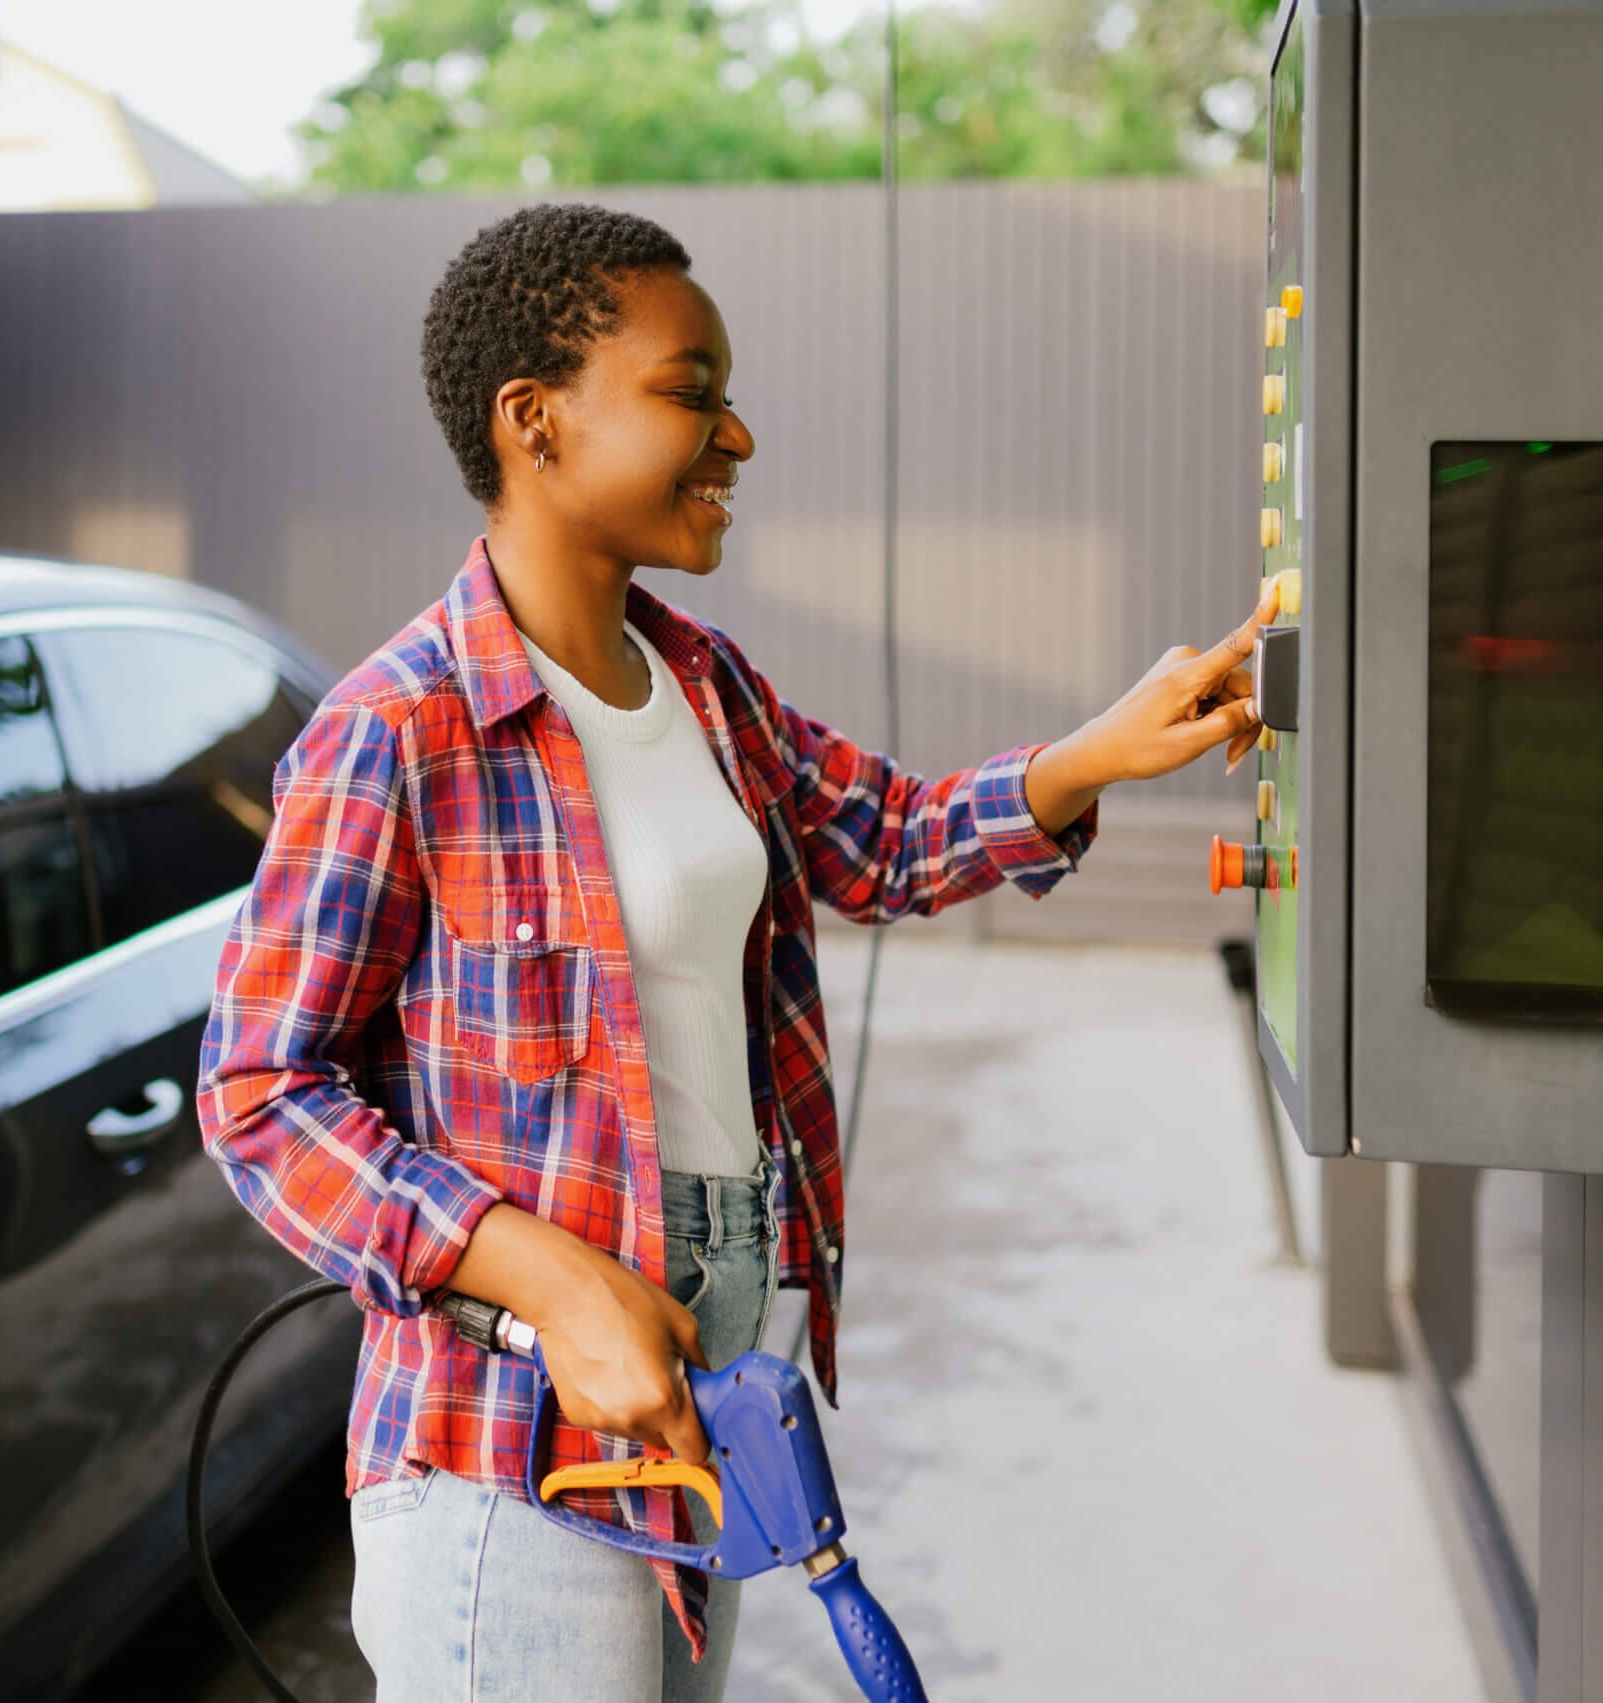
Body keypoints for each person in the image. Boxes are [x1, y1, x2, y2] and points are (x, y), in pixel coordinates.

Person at [196, 202, 1271, 1703]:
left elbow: (883, 839)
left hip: (713, 1378)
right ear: (537, 421)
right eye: (692, 393)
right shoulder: (397, 729)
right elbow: (259, 1092)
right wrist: (556, 1287)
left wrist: (1093, 755)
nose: (740, 434)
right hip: (514, 1437)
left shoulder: (700, 683)